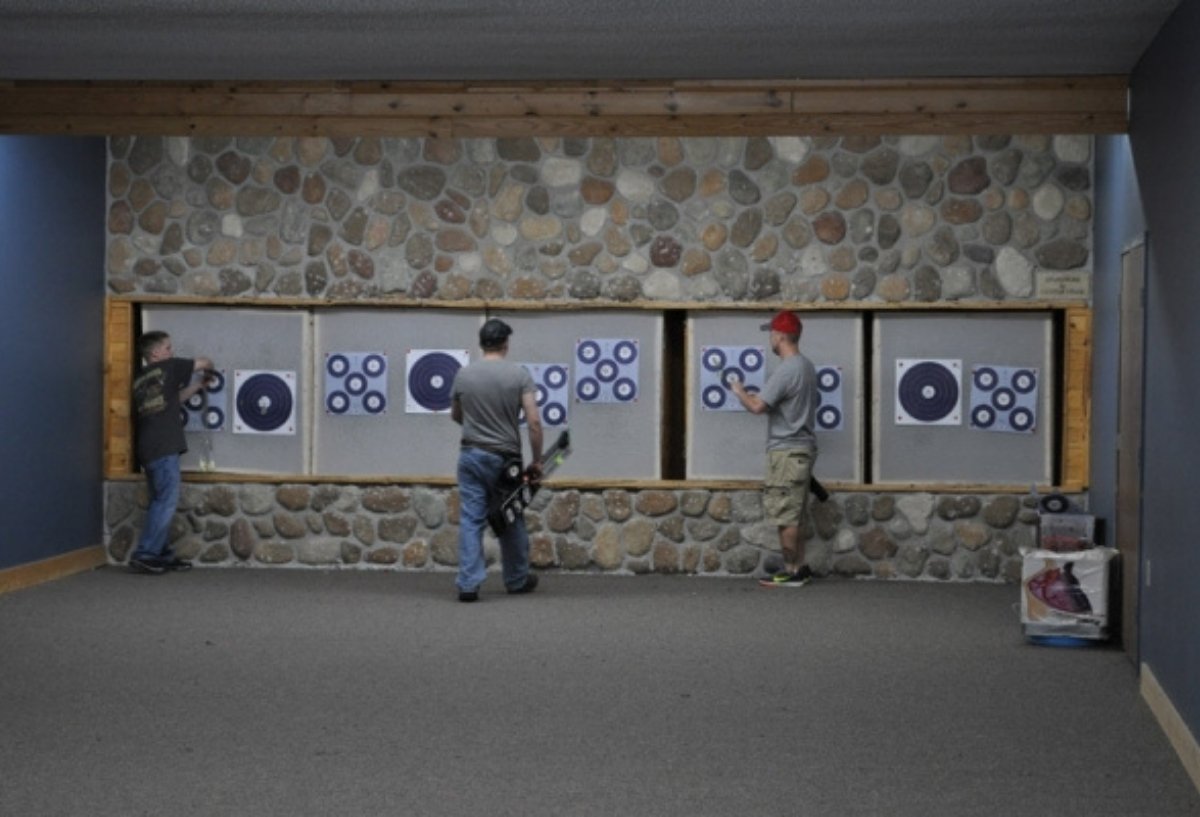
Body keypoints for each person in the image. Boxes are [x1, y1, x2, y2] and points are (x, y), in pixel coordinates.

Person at [450, 318, 544, 602]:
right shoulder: (519, 375)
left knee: (471, 519)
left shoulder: (463, 375)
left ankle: (468, 584)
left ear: (482, 344)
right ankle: (516, 579)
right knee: (511, 515)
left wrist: (478, 426)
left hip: (470, 453)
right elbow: (534, 422)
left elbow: (456, 415)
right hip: (506, 459)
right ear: (505, 343)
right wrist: (537, 461)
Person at [728, 310, 819, 587]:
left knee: (785, 515)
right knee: (796, 513)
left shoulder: (787, 369)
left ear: (780, 336)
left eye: (771, 333)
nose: (770, 337)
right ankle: (799, 567)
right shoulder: (806, 366)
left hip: (786, 452)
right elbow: (781, 404)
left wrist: (739, 391)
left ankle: (790, 571)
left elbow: (757, 407)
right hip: (802, 449)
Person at [129, 330, 214, 575]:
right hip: (164, 446)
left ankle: (162, 555)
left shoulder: (141, 379)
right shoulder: (170, 366)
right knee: (166, 501)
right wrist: (209, 371)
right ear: (156, 353)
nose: (172, 351)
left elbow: (173, 400)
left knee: (160, 500)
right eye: (167, 347)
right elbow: (204, 362)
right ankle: (146, 554)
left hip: (147, 448)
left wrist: (198, 385)